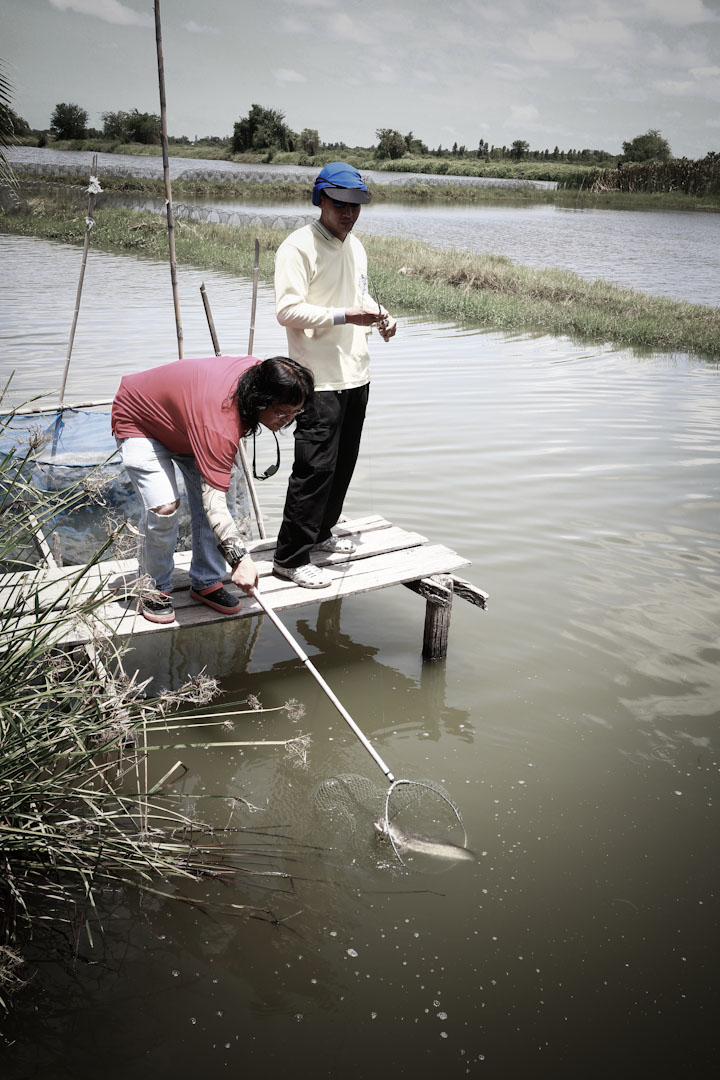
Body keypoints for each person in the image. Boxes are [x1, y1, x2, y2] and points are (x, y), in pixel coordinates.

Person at [112, 354, 314, 624]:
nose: (286, 421)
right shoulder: (220, 422)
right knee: (165, 507)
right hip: (140, 418)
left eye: (294, 413)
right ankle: (153, 585)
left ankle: (206, 581)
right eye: (281, 412)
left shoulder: (262, 375)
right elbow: (213, 501)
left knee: (223, 492)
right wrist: (240, 560)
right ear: (258, 399)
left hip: (190, 424)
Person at [272, 160, 397, 589]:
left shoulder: (355, 246)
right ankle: (289, 558)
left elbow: (358, 296)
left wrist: (381, 316)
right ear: (321, 199)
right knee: (314, 468)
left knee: (343, 464)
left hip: (355, 374)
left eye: (356, 205)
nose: (349, 213)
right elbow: (287, 310)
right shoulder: (298, 246)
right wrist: (347, 314)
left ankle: (321, 535)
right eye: (341, 204)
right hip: (316, 378)